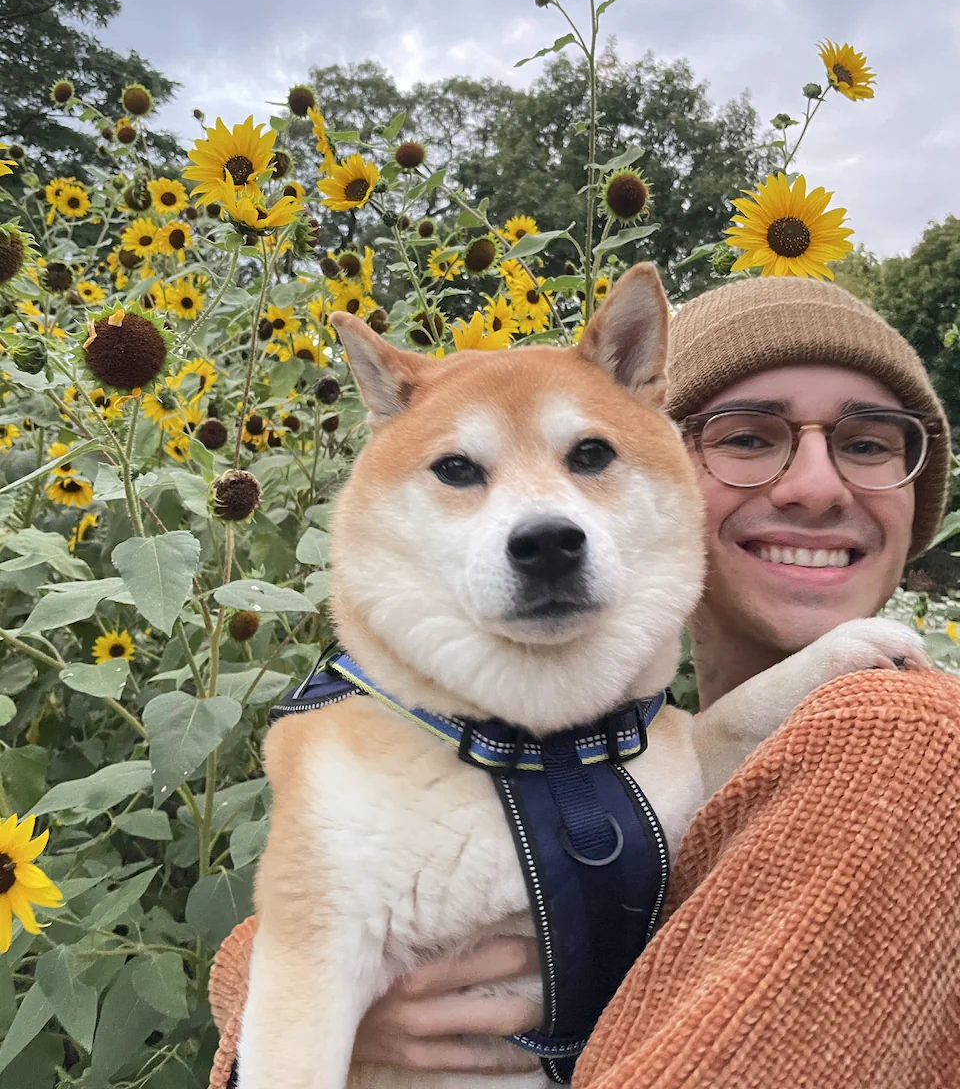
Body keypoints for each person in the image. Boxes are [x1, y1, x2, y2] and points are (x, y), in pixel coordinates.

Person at [208, 276, 960, 1088]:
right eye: (749, 439)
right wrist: (294, 968)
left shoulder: (902, 741)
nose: (814, 486)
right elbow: (695, 790)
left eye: (870, 443)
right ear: (685, 469)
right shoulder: (665, 743)